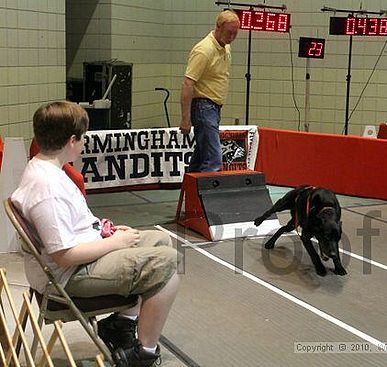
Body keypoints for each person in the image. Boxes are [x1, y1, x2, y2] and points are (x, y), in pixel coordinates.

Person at [11, 101, 179, 367]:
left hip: (76, 261)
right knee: (168, 261)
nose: (85, 143)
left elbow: (73, 227)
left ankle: (121, 324)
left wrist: (105, 231)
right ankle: (143, 354)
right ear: (71, 140)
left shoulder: (45, 168)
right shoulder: (47, 189)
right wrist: (115, 243)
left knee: (162, 240)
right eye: (83, 138)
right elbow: (65, 255)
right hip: (68, 277)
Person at [180, 10, 240, 172]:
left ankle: (189, 193)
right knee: (214, 159)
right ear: (218, 27)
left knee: (200, 157)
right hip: (203, 107)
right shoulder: (204, 50)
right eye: (229, 33)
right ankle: (205, 197)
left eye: (236, 33)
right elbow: (187, 83)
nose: (232, 37)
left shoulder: (225, 47)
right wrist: (185, 119)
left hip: (213, 108)